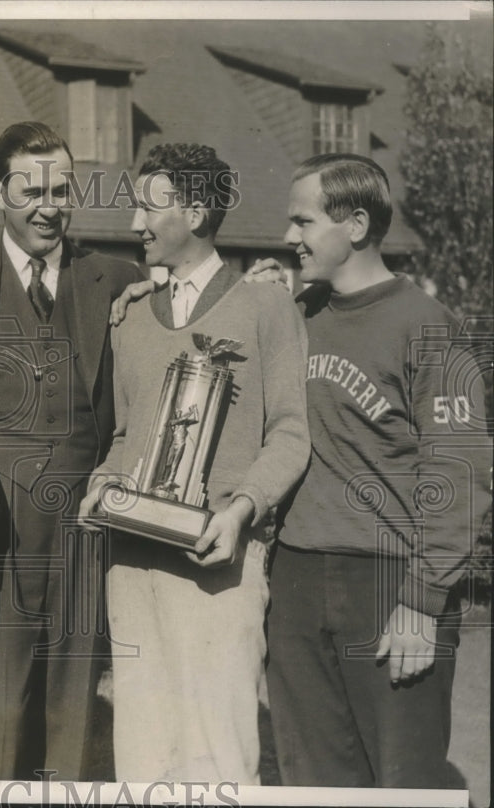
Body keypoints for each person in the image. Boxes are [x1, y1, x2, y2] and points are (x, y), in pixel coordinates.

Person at [78, 143, 310, 783]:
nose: (134, 226)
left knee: (220, 761)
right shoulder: (128, 319)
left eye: (149, 208)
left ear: (199, 210)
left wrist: (240, 513)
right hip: (132, 566)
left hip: (221, 562)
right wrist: (103, 485)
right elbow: (125, 434)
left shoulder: (266, 305)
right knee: (143, 762)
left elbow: (291, 433)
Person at [264, 153, 482, 787]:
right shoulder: (296, 315)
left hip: (391, 583)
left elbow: (461, 473)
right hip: (298, 578)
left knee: (404, 783)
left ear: (355, 224)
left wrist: (422, 598)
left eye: (302, 222)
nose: (288, 237)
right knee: (314, 784)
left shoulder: (428, 327)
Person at [0, 122, 143, 780]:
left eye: (62, 189)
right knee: (2, 694)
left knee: (76, 691)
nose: (49, 205)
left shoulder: (114, 279)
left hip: (85, 525)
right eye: (31, 189)